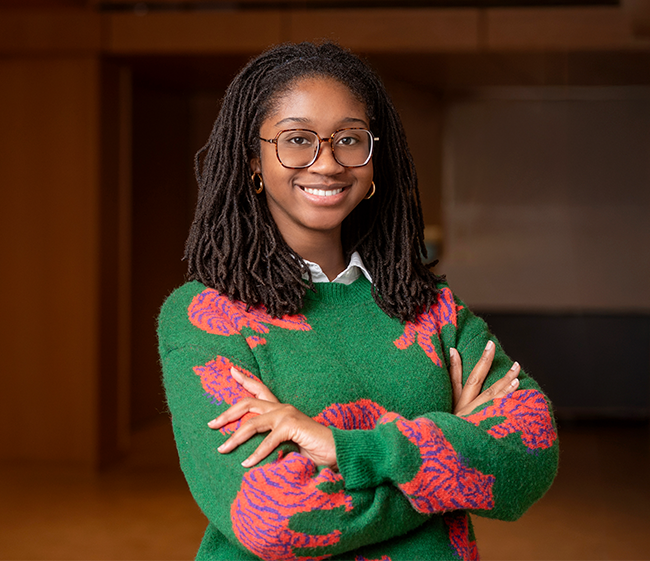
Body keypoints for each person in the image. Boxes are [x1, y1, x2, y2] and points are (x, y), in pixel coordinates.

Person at [157, 41, 558, 561]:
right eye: (296, 140)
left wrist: (343, 449)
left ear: (373, 160)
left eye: (349, 139)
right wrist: (451, 457)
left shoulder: (431, 306)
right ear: (253, 162)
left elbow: (530, 453)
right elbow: (275, 520)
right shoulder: (207, 317)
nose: (326, 163)